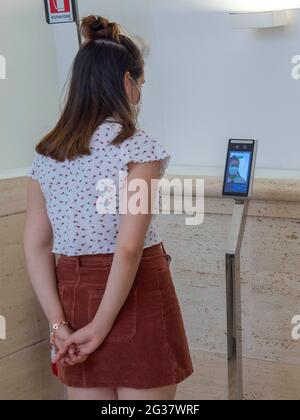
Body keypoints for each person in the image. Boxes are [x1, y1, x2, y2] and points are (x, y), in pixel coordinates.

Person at [23, 15, 193, 401]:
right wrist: (100, 327)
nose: (140, 97)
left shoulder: (48, 154)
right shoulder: (138, 147)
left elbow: (34, 245)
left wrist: (58, 325)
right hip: (136, 291)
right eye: (141, 85)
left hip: (71, 295)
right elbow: (128, 247)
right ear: (126, 82)